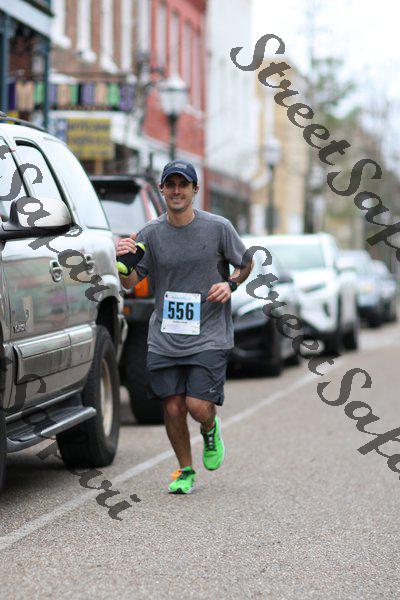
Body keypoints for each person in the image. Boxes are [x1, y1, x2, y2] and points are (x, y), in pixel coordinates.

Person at [116, 160, 253, 494]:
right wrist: (122, 261)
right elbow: (131, 283)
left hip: (209, 333)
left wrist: (231, 285)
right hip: (166, 335)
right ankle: (185, 470)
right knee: (173, 406)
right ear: (162, 189)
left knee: (197, 406)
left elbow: (246, 262)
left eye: (183, 185)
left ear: (195, 190)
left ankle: (209, 428)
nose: (177, 191)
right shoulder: (150, 234)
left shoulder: (218, 227)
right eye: (171, 185)